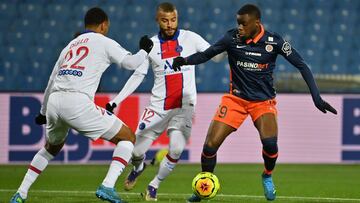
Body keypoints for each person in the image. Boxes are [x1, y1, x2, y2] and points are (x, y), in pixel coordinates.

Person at [172, 4, 337, 202]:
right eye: (238, 23)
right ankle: (203, 187)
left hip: (263, 102)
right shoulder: (230, 38)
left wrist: (316, 97)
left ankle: (267, 175)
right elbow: (206, 55)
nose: (239, 28)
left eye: (243, 24)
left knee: (270, 144)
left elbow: (301, 65)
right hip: (235, 100)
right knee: (209, 146)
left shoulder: (274, 41)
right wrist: (184, 61)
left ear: (256, 23)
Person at [10, 7, 153, 203]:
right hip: (77, 101)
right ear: (104, 25)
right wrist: (145, 49)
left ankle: (20, 193)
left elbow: (52, 80)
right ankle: (107, 186)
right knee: (127, 137)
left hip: (54, 101)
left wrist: (43, 112)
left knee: (51, 148)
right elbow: (130, 63)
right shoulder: (103, 41)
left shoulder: (70, 46)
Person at [105, 2, 224, 201]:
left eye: (173, 20)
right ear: (157, 20)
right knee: (135, 152)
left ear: (177, 19)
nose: (169, 24)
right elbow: (137, 76)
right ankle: (138, 166)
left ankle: (154, 186)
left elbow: (215, 56)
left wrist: (228, 48)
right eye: (165, 20)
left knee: (176, 149)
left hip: (184, 107)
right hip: (158, 108)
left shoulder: (190, 38)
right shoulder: (151, 45)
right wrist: (116, 101)